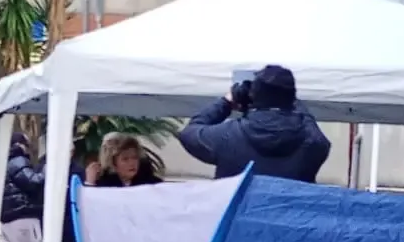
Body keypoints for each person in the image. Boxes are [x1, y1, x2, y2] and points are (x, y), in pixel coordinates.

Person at [177, 65, 331, 182]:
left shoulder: (228, 135)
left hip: (238, 222)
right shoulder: (312, 143)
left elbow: (190, 132)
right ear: (292, 98)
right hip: (291, 222)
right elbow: (311, 127)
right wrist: (291, 102)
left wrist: (226, 102)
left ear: (254, 96)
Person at [85, 133, 164, 187]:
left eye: (135, 157)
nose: (132, 163)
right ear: (113, 163)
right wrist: (90, 182)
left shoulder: (152, 184)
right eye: (125, 159)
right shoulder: (103, 185)